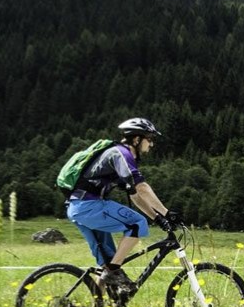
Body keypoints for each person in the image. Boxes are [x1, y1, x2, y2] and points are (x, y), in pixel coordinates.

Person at [65, 117, 180, 294]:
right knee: (136, 224)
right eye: (150, 139)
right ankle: (113, 273)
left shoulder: (118, 155)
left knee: (108, 261)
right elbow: (141, 187)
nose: (151, 144)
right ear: (137, 139)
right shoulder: (121, 154)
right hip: (89, 206)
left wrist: (158, 218)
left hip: (78, 209)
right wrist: (167, 213)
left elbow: (135, 196)